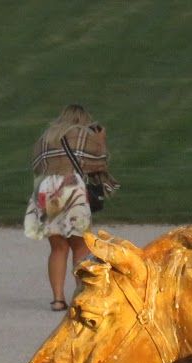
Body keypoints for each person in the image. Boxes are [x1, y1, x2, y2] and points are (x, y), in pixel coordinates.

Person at [25, 104, 118, 311]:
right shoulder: (84, 135)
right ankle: (80, 297)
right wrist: (101, 140)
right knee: (80, 247)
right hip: (72, 189)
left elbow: (37, 166)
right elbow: (99, 163)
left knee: (58, 248)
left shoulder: (45, 138)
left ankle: (58, 299)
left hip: (46, 190)